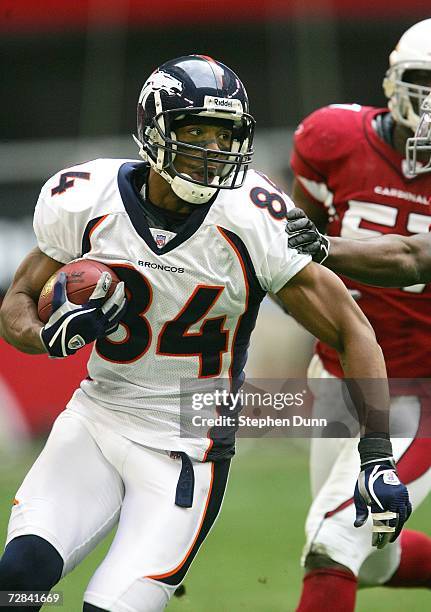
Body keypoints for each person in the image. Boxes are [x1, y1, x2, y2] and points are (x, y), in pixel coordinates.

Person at [0, 55, 407, 612]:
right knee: (16, 585)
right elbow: (18, 304)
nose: (212, 151)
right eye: (194, 132)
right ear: (153, 131)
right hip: (94, 421)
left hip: (186, 452)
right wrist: (48, 338)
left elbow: (350, 326)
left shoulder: (252, 217)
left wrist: (377, 454)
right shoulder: (87, 196)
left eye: (224, 136)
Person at [286, 19, 431, 612]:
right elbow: (294, 249)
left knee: (333, 544)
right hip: (339, 374)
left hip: (421, 390)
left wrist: (320, 246)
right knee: (371, 555)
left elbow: (411, 255)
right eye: (425, 81)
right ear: (392, 82)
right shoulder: (330, 138)